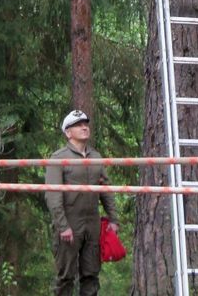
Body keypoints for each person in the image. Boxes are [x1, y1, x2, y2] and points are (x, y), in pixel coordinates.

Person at [45, 110, 119, 296]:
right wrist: (63, 226)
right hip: (69, 223)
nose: (84, 127)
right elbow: (53, 195)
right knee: (65, 277)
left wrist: (113, 219)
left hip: (92, 225)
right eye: (78, 125)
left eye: (86, 123)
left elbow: (106, 189)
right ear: (68, 132)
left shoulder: (96, 157)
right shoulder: (58, 158)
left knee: (91, 276)